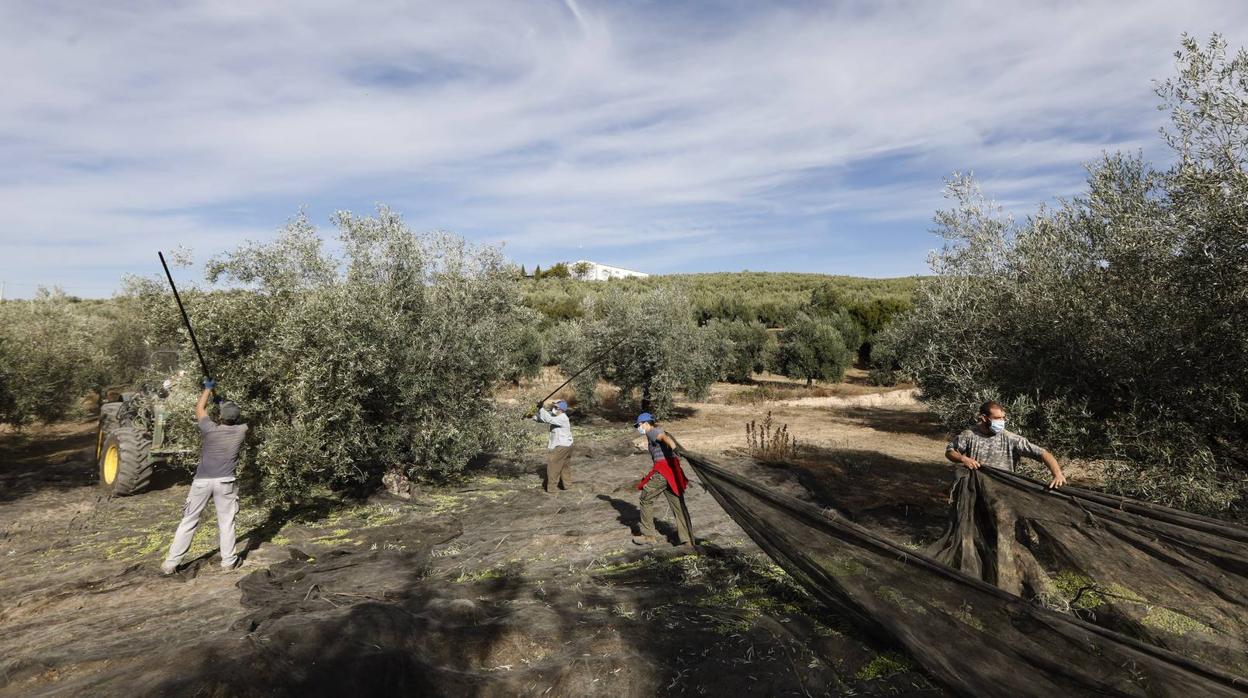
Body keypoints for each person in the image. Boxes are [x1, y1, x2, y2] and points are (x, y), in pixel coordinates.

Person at [161, 379, 248, 575]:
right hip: (226, 482)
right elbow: (235, 419)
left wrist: (208, 390)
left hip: (201, 482)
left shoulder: (210, 429)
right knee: (226, 522)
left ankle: (170, 564)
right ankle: (229, 562)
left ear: (220, 417)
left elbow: (199, 408)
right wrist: (223, 403)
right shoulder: (241, 431)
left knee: (189, 520)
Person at [945, 400, 1067, 489]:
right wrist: (963, 458)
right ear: (984, 418)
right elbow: (950, 452)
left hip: (1004, 489)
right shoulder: (969, 435)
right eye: (997, 418)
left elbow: (1043, 454)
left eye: (1003, 418)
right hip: (976, 488)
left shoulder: (1011, 438)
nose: (1001, 422)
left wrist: (1057, 474)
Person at [633, 413, 694, 548]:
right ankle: (687, 540)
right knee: (678, 505)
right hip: (672, 473)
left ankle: (648, 535)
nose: (638, 427)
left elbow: (663, 438)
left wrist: (675, 448)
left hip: (662, 473)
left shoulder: (652, 432)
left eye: (639, 425)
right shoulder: (659, 430)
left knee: (645, 499)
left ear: (646, 423)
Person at [534, 399, 574, 493]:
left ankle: (552, 489)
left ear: (561, 409)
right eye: (554, 407)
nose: (553, 409)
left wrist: (541, 409)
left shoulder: (562, 418)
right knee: (564, 466)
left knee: (553, 465)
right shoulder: (558, 417)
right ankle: (567, 485)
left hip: (562, 446)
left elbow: (549, 419)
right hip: (567, 445)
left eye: (556, 407)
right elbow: (545, 419)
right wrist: (534, 415)